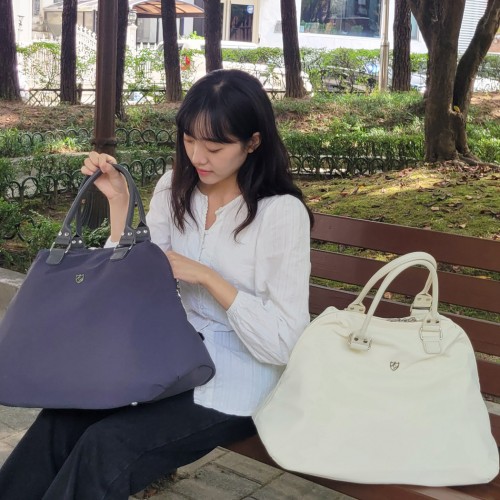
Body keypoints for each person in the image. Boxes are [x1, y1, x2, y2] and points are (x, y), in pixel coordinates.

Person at [0, 69, 313, 499]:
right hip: (168, 357)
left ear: (253, 142)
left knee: (106, 446)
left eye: (215, 147)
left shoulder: (279, 214)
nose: (199, 157)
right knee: (61, 421)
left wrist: (209, 278)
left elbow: (284, 342)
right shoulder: (175, 187)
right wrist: (119, 200)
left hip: (239, 375)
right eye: (189, 140)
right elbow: (135, 278)